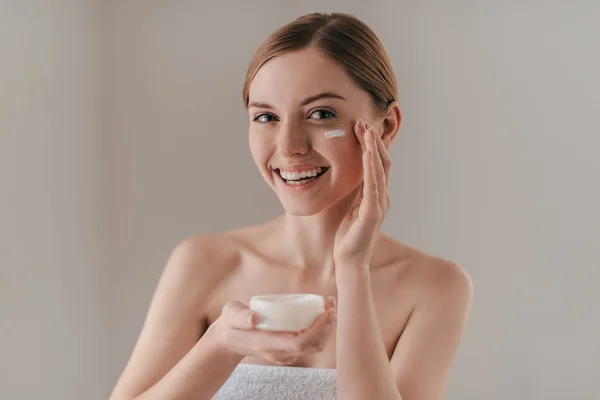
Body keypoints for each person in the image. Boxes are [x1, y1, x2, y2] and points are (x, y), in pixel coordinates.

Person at [110, 12, 473, 400]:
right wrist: (221, 345)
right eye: (266, 117)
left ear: (385, 127)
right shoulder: (204, 262)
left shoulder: (434, 288)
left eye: (320, 114)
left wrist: (352, 270)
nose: (288, 147)